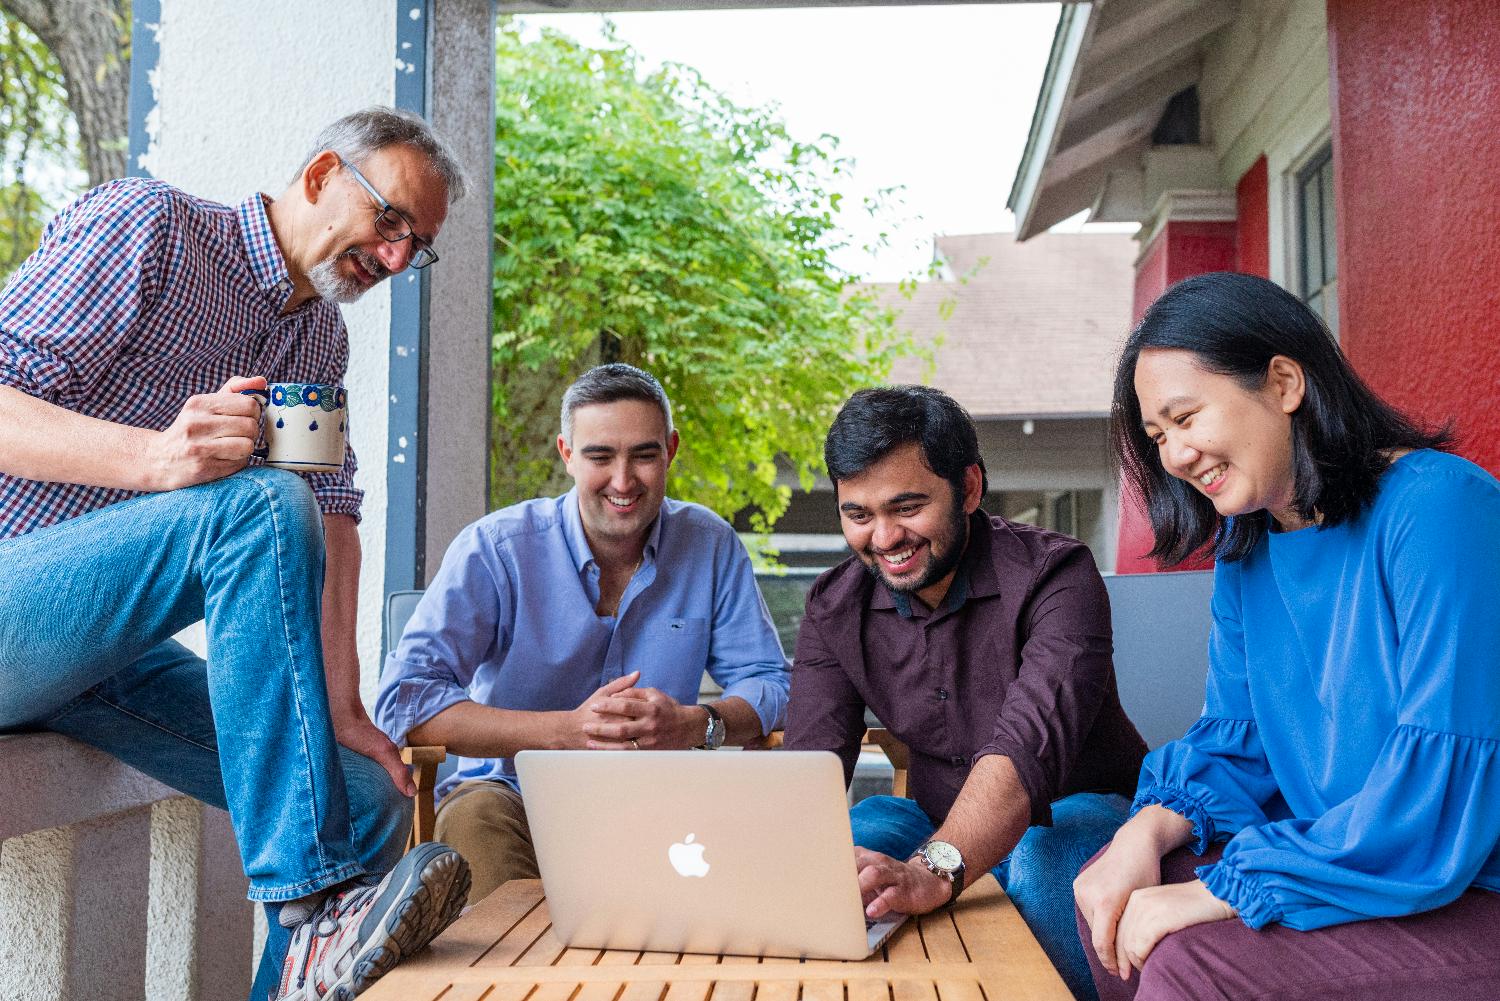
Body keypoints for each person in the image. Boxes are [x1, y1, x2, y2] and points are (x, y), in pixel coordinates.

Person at [0, 107, 475, 1001]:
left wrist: (343, 709)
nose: (400, 258)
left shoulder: (316, 341)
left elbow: (334, 520)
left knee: (368, 801)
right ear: (323, 173)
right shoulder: (149, 229)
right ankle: (310, 913)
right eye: (391, 221)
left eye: (421, 246)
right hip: (9, 599)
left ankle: (301, 953)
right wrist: (154, 458)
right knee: (256, 506)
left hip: (99, 656)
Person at [1073, 271, 1500, 1000]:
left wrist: (1233, 889)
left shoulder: (1440, 509)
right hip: (1353, 867)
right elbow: (1238, 745)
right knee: (1110, 897)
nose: (1173, 455)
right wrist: (1144, 831)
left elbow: (1442, 793)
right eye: (1156, 435)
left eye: (1185, 417)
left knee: (1191, 959)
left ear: (1283, 382)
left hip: (1464, 881)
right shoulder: (1251, 549)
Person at [376, 362, 791, 905]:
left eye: (643, 455)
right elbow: (406, 702)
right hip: (510, 798)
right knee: (478, 828)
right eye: (600, 456)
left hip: (666, 805)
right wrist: (566, 732)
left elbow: (775, 686)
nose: (623, 482)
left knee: (752, 901)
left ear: (671, 450)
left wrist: (698, 724)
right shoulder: (496, 547)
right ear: (567, 454)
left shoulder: (711, 545)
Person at [785, 385, 1147, 1001]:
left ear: (970, 489)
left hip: (1075, 806)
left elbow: (1024, 750)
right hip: (927, 815)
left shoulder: (1057, 574)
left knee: (1039, 858)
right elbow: (808, 768)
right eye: (858, 514)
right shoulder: (833, 604)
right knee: (844, 850)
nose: (884, 537)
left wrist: (936, 869)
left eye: (907, 507)